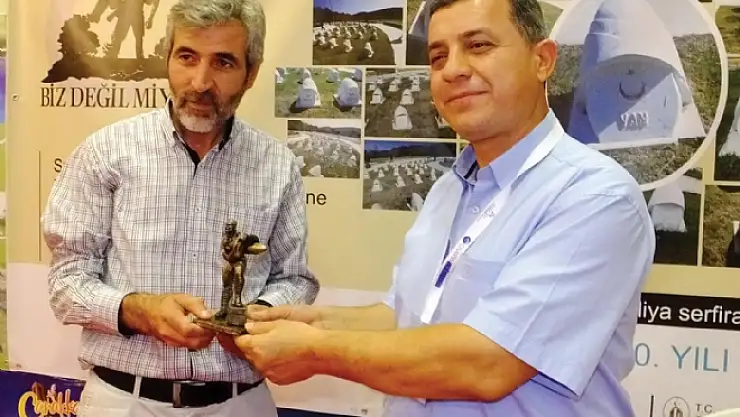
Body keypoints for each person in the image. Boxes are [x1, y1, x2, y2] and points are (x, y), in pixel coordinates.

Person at [233, 0, 656, 416]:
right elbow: (404, 319)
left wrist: (316, 351)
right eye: (438, 56)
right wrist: (311, 322)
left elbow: (487, 364)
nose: (453, 70)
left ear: (542, 60)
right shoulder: (448, 189)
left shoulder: (593, 197)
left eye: (478, 46)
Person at [41, 0, 319, 415]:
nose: (200, 82)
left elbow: (294, 278)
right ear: (167, 58)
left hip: (239, 403)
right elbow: (66, 284)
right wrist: (139, 311)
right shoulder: (106, 152)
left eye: (223, 62)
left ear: (251, 73)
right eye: (187, 57)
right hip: (125, 402)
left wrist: (254, 316)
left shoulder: (277, 165)